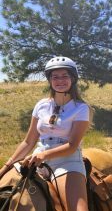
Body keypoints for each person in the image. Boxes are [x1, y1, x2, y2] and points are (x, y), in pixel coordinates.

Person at [0, 56, 91, 211]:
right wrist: (5, 167)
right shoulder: (41, 105)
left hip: (67, 162)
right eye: (55, 77)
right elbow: (28, 142)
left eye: (65, 76)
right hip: (36, 161)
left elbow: (72, 145)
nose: (60, 81)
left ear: (73, 79)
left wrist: (44, 155)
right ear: (50, 80)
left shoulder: (81, 108)